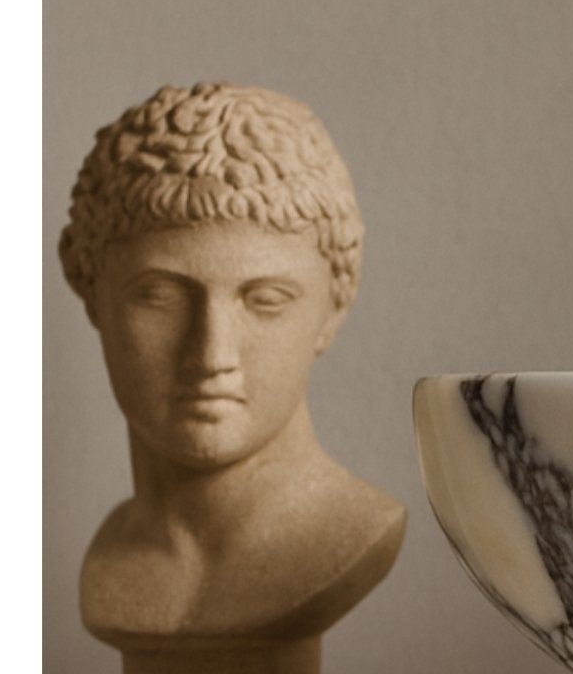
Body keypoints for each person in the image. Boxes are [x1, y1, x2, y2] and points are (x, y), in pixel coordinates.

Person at [59, 83, 404, 644]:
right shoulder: (115, 559)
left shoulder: (352, 534)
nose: (211, 355)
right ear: (89, 287)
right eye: (160, 296)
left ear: (334, 306)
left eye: (265, 300)